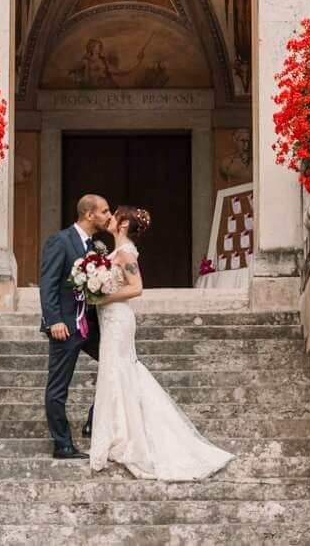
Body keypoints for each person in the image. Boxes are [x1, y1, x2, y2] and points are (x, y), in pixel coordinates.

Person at [88, 205, 235, 480]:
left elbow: (136, 287)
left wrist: (100, 299)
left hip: (118, 319)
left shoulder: (127, 252)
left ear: (122, 225)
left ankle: (127, 437)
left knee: (118, 370)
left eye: (114, 215)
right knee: (114, 372)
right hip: (110, 319)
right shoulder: (118, 250)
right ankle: (119, 431)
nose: (109, 218)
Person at [37, 193, 110, 459]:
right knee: (58, 386)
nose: (108, 215)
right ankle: (62, 444)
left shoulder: (95, 246)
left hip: (90, 326)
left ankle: (94, 419)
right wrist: (53, 319)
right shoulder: (61, 240)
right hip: (65, 327)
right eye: (104, 211)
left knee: (120, 364)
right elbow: (48, 283)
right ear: (90, 215)